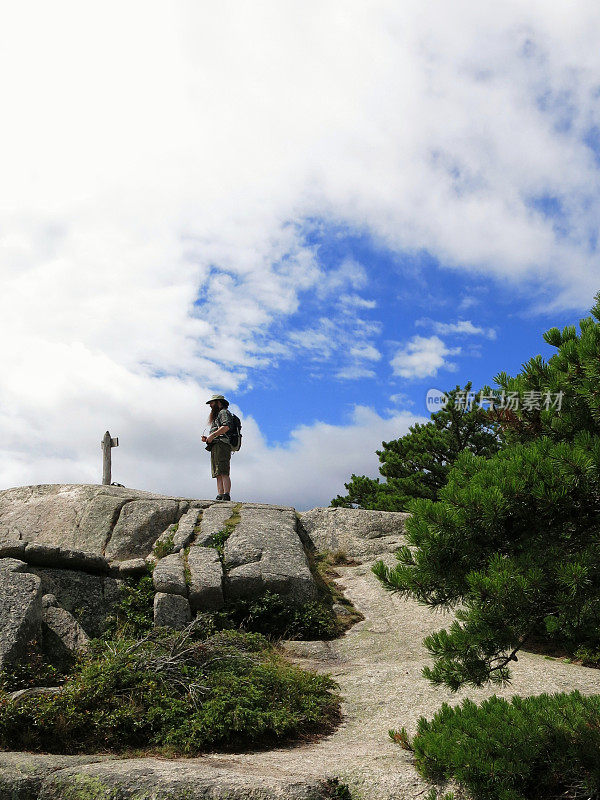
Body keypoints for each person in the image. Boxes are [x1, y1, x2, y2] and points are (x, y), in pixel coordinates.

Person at [201, 394, 233, 501]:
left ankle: (226, 494)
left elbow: (226, 426)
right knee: (217, 472)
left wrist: (213, 435)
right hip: (216, 444)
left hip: (222, 444)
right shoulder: (218, 414)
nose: (210, 405)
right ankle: (220, 494)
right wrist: (208, 438)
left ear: (218, 402)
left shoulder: (223, 413)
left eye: (212, 403)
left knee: (223, 470)